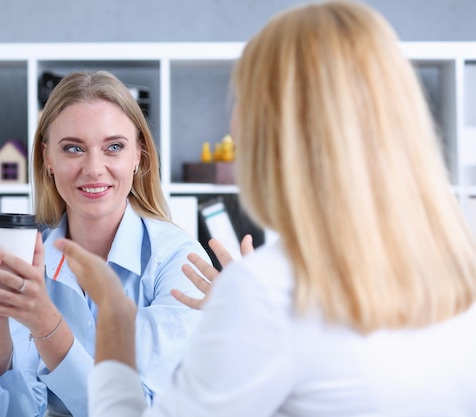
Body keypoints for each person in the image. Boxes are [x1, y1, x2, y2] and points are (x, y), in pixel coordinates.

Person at [56, 1, 476, 416]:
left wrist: (113, 315)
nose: (233, 122)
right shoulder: (457, 267)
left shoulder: (269, 290)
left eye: (243, 97)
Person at [0, 70, 210, 417]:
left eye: (113, 147)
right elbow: (9, 413)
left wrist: (45, 323)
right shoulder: (33, 258)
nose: (94, 169)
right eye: (74, 148)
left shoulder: (178, 262)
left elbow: (137, 410)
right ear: (48, 158)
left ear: (139, 154)